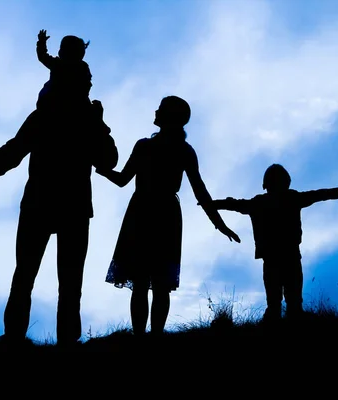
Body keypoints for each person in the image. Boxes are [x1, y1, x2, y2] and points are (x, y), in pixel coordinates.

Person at [0, 98, 118, 347]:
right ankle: (63, 339)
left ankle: (19, 337)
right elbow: (108, 160)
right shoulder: (77, 118)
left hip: (44, 204)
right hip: (67, 206)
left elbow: (14, 150)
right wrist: (98, 122)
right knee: (60, 278)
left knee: (31, 275)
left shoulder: (48, 115)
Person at [96, 95, 241, 337]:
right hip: (165, 215)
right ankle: (154, 337)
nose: (156, 111)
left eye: (161, 109)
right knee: (158, 284)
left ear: (169, 116)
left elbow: (122, 180)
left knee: (141, 283)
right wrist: (219, 224)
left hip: (142, 212)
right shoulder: (183, 150)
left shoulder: (146, 146)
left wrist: (100, 169)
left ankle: (142, 337)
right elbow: (200, 190)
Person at [204, 163, 338, 322]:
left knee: (276, 302)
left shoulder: (261, 202)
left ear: (266, 184)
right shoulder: (292, 198)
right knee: (290, 303)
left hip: (274, 257)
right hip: (288, 255)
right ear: (286, 182)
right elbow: (317, 194)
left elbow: (234, 204)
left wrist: (212, 203)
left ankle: (278, 323)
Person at [35, 29, 92, 113]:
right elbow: (43, 56)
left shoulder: (81, 66)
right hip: (53, 100)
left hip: (73, 101)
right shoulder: (60, 64)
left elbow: (86, 84)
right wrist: (41, 42)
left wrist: (41, 42)